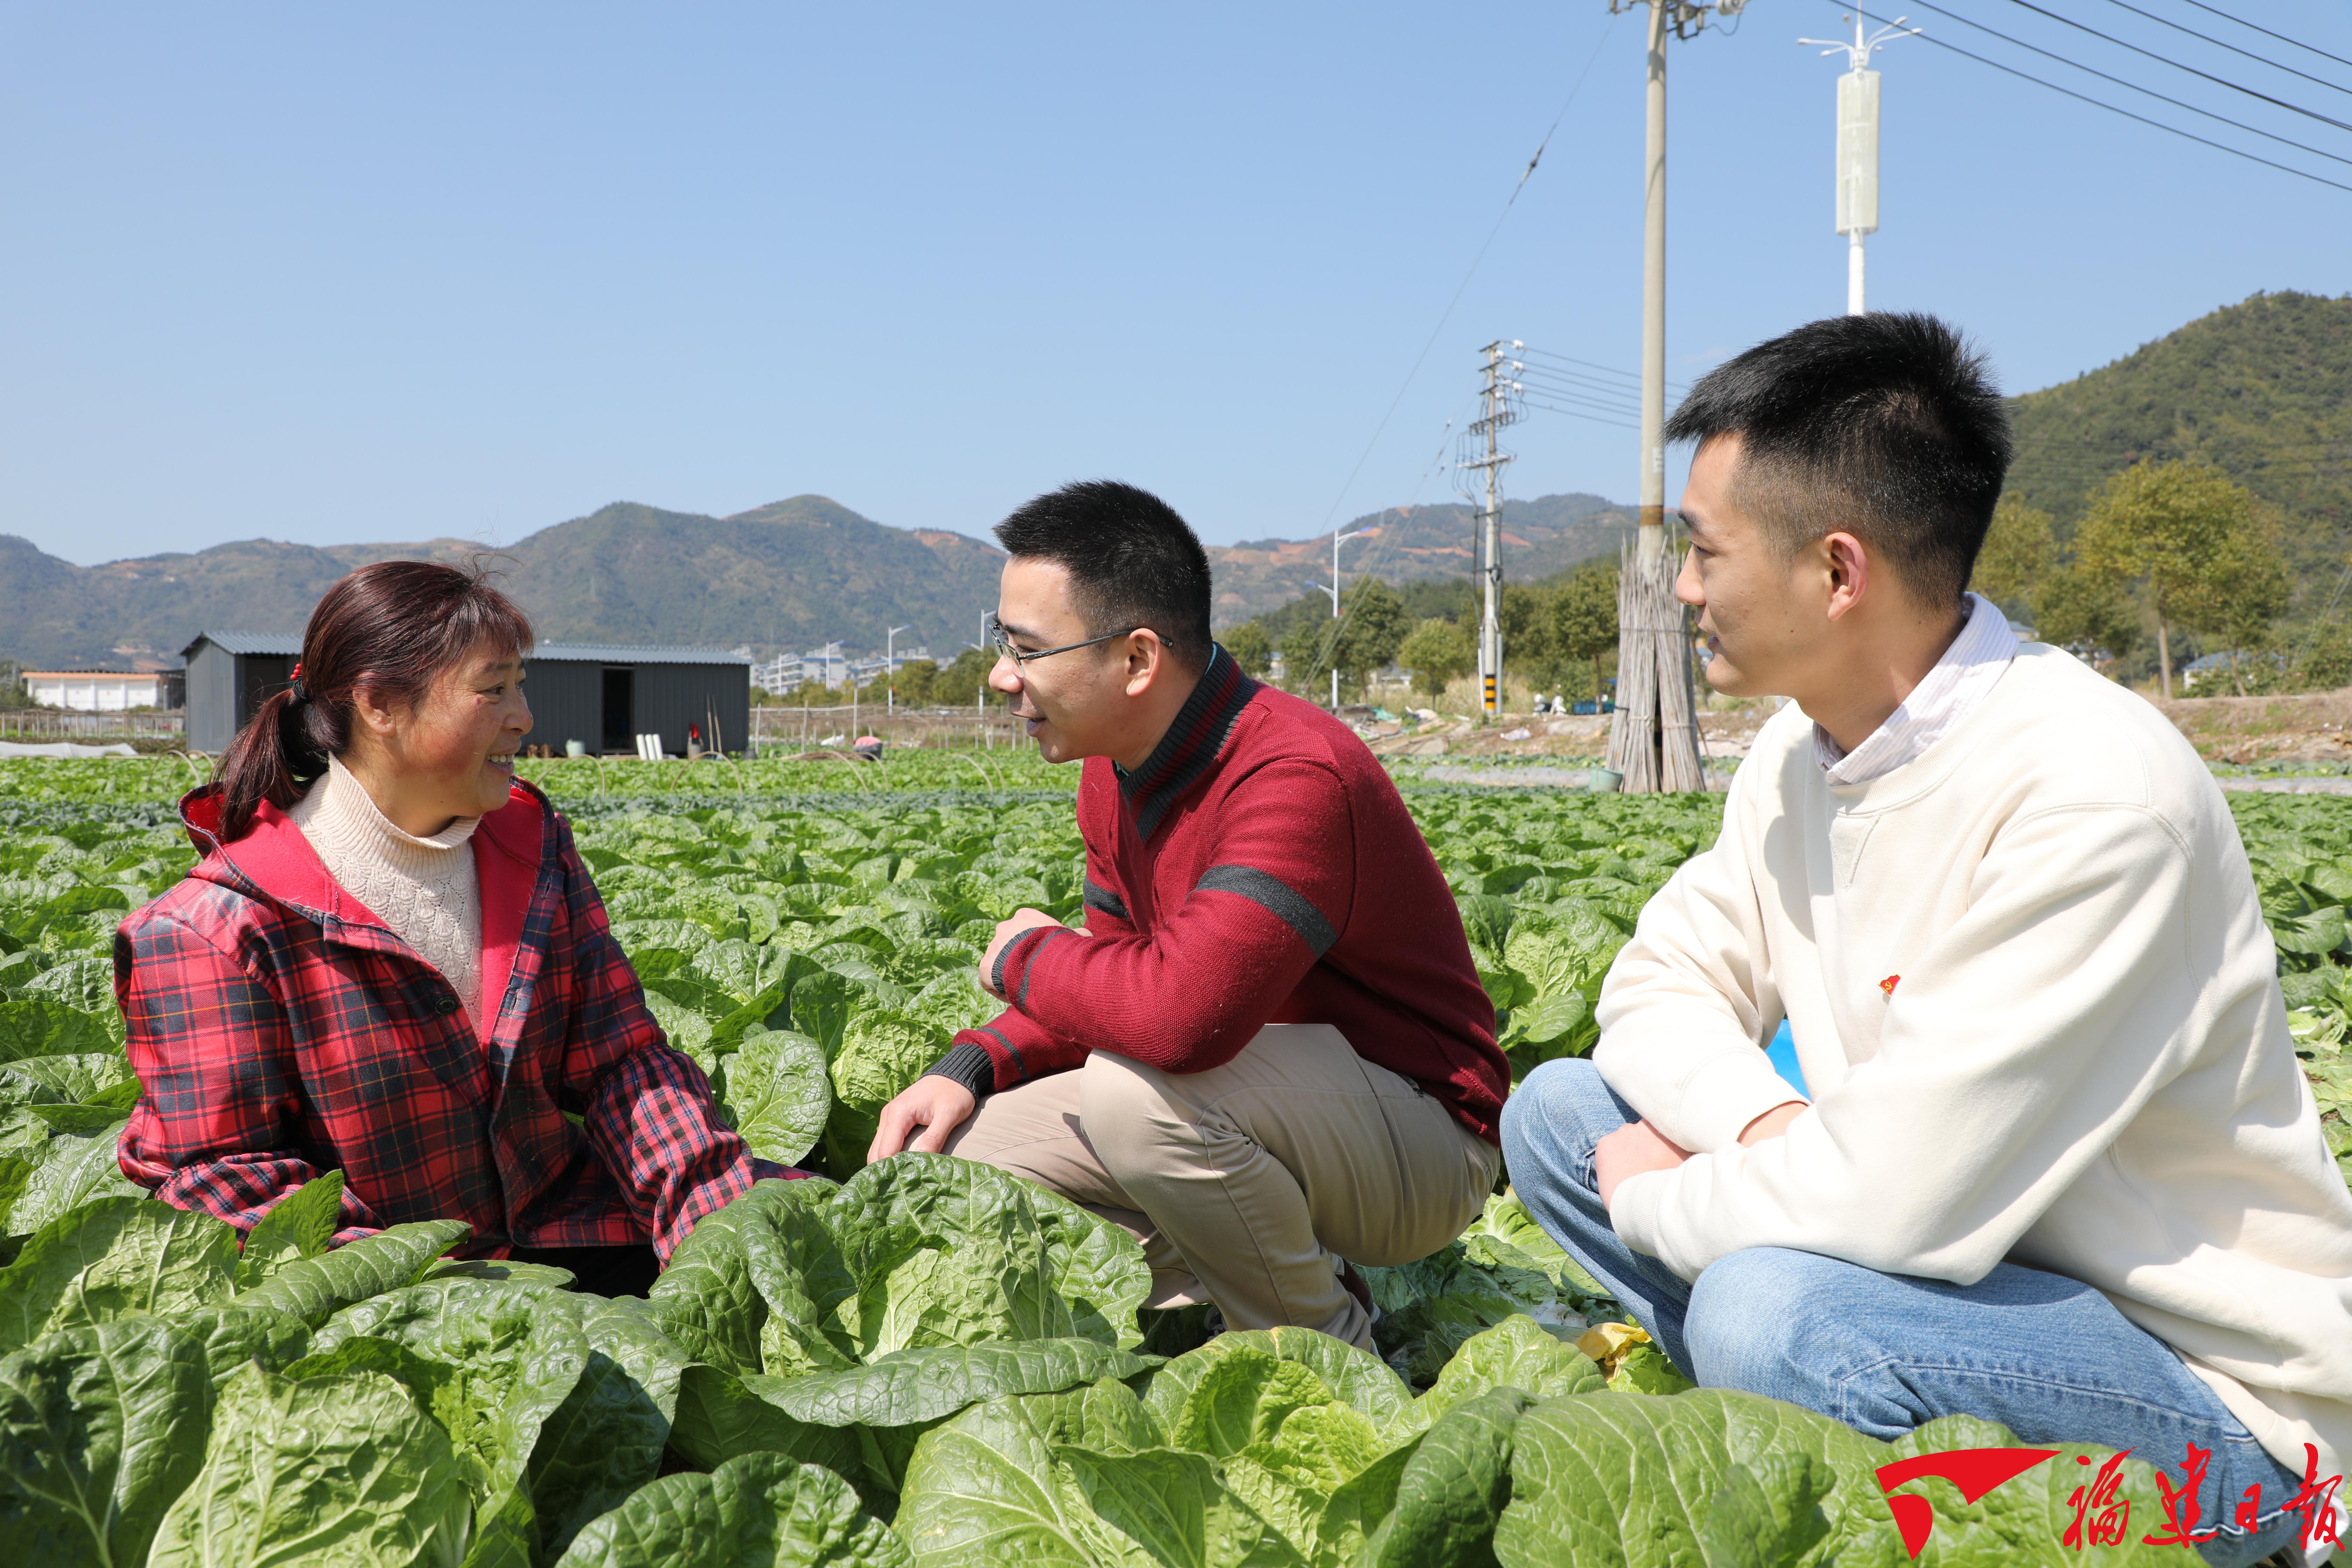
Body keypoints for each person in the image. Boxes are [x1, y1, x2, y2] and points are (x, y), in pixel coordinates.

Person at [1501, 314, 2352, 1568]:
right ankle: (1824, 1434)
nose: (1683, 589)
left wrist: (1661, 1201)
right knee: (1561, 1113)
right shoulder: (1804, 750)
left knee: (1773, 1310)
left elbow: (1890, 1211)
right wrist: (1764, 1130)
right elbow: (1659, 984)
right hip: (1944, 1269)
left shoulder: (2094, 797)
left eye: (1704, 551)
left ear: (1838, 573)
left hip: (2211, 1403)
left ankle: (2231, 1539)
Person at [866, 480, 1508, 1350]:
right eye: (1002, 641)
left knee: (1135, 1096)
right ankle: (1276, 1273)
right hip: (1261, 1103)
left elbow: (1177, 1021)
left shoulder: (1292, 773)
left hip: (1422, 1136)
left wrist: (1023, 955)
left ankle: (1331, 1357)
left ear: (1136, 660)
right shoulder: (1115, 767)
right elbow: (1116, 982)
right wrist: (970, 1065)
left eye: (1027, 648)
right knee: (969, 1158)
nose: (1002, 674)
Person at [116, 561, 791, 1297]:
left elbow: (622, 1061)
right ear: (379, 704)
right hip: (391, 1302)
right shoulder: (210, 931)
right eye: (493, 689)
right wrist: (461, 1296)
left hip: (573, 1234)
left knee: (816, 1227)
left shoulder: (534, 847)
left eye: (520, 685)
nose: (524, 716)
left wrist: (714, 1223)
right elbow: (224, 1180)